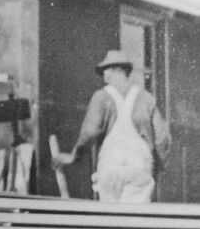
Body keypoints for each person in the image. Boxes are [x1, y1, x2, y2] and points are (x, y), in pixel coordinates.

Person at [54, 49, 171, 203]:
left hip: (111, 166)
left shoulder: (101, 97)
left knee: (111, 221)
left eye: (105, 72)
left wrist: (73, 156)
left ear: (110, 71)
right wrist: (156, 169)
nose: (104, 77)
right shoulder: (147, 99)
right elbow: (162, 139)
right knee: (137, 222)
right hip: (139, 167)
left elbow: (89, 131)